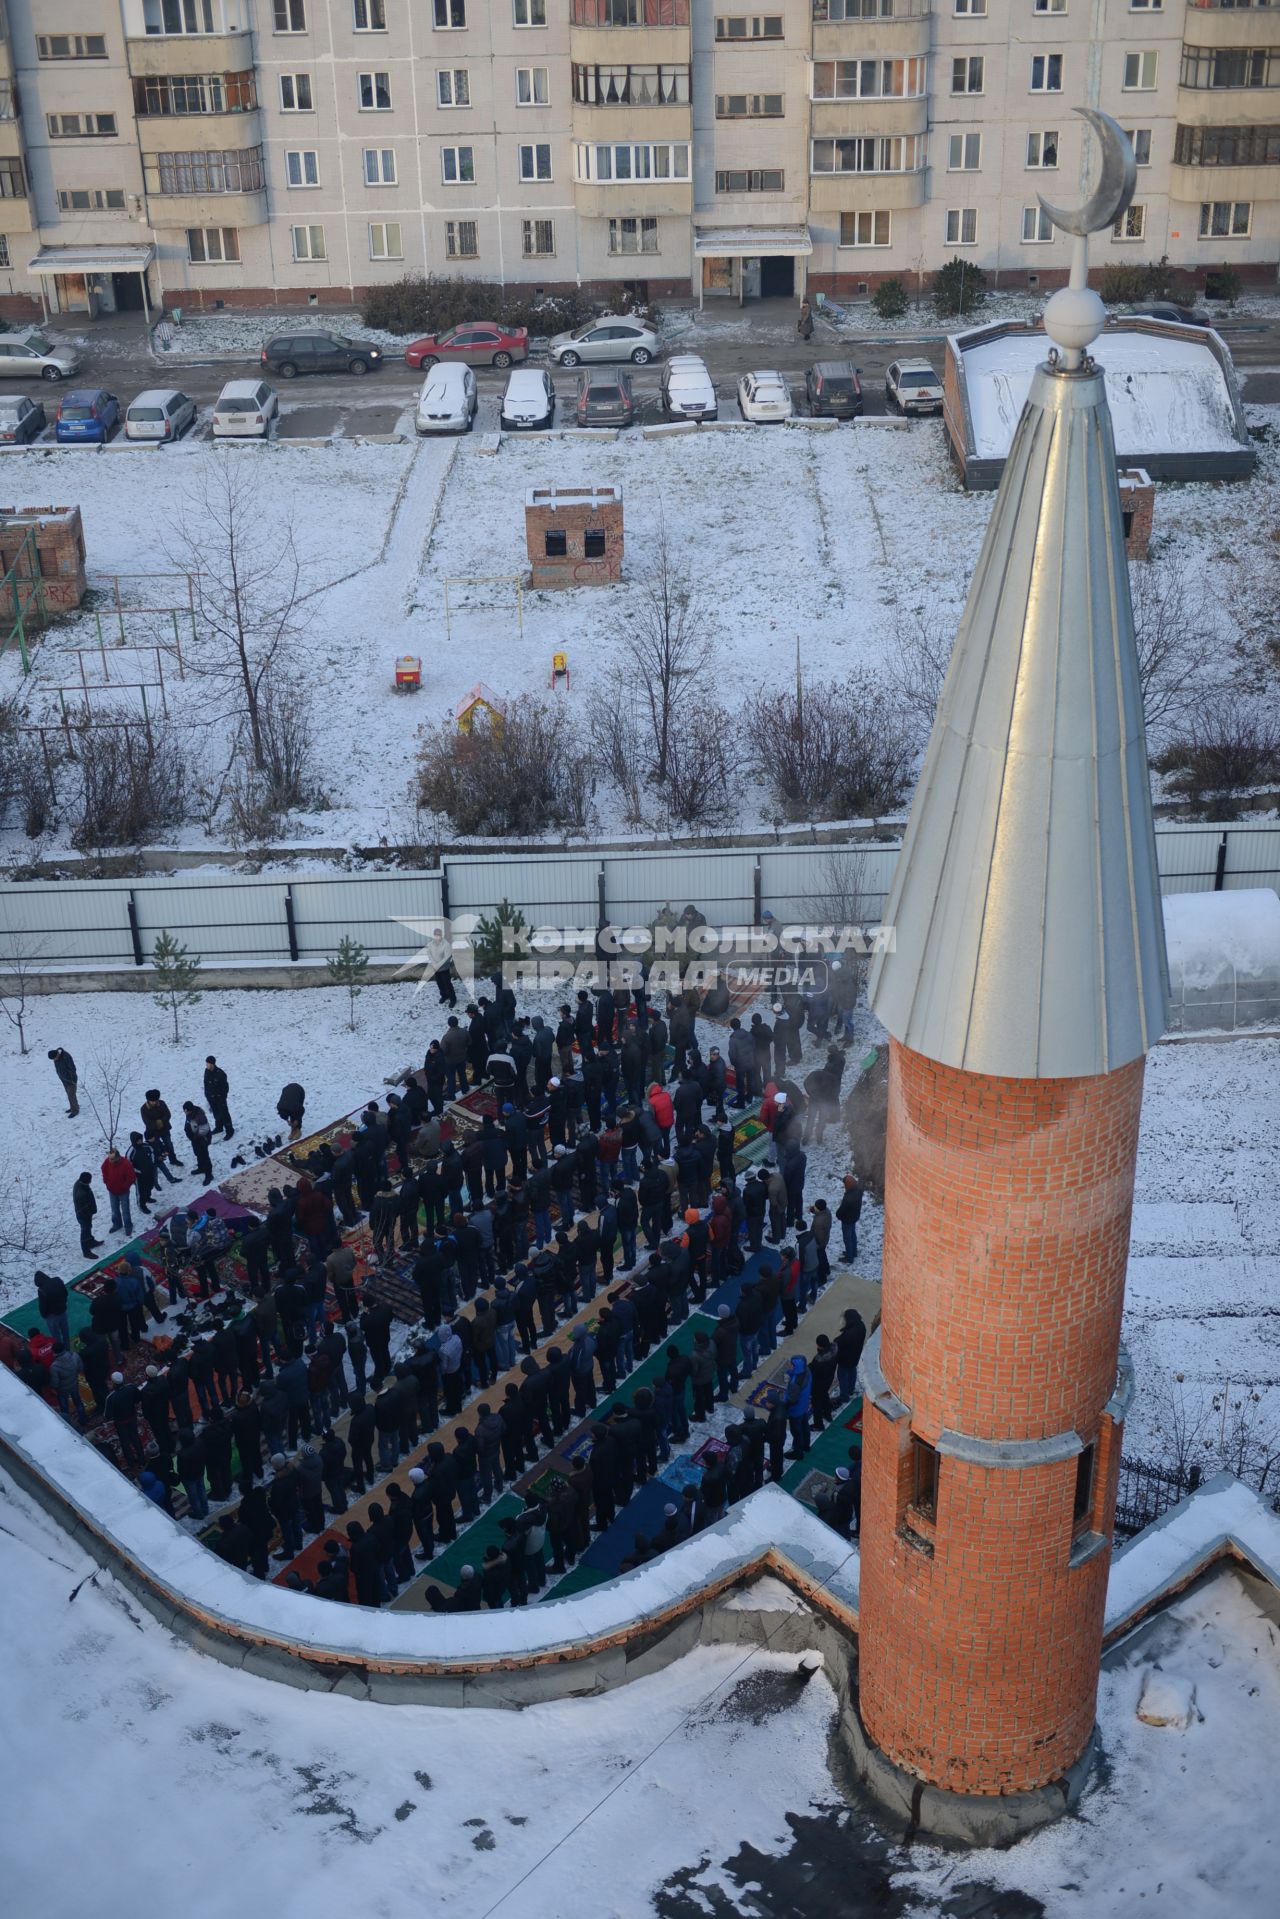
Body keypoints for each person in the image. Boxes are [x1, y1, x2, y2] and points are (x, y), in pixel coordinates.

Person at [100, 1147, 137, 1237]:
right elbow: (103, 1169)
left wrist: (124, 1186)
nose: (110, 1161)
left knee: (125, 1210)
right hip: (112, 1190)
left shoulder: (126, 1164)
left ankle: (128, 1226)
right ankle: (117, 1224)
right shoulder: (108, 1161)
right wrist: (106, 1181)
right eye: (109, 1158)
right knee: (114, 1209)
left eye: (112, 1159)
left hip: (123, 1192)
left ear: (117, 1157)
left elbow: (132, 1178)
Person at [72, 1171, 102, 1259]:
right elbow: (85, 1208)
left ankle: (90, 1241)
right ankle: (86, 1252)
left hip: (84, 1213)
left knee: (88, 1228)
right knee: (85, 1231)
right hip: (84, 1215)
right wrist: (91, 1212)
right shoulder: (81, 1194)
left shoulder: (79, 1183)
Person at [183, 1102, 214, 1184]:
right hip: (195, 1139)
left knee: (205, 1156)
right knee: (198, 1154)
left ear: (190, 1110)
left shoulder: (200, 1116)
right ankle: (201, 1168)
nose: (185, 1113)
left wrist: (194, 1138)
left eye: (186, 1111)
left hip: (202, 1140)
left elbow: (204, 1130)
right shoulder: (190, 1114)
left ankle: (209, 1174)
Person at [203, 1056, 235, 1139]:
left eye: (208, 1063)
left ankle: (230, 1131)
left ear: (212, 1064)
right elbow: (206, 1085)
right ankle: (219, 1127)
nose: (206, 1065)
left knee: (225, 1115)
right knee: (216, 1114)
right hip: (211, 1099)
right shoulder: (206, 1072)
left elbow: (225, 1088)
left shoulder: (220, 1074)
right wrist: (207, 1096)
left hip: (220, 1099)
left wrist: (221, 1097)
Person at [837, 1174, 863, 1265]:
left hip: (847, 1220)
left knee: (847, 1239)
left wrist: (838, 1215)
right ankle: (853, 1252)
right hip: (854, 1217)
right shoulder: (859, 1191)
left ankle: (849, 1257)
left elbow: (841, 1211)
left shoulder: (848, 1198)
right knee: (853, 1235)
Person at [49, 1047, 79, 1117]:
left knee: (71, 1095)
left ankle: (75, 1110)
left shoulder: (66, 1057)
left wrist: (70, 1078)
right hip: (64, 1080)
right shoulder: (56, 1058)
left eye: (54, 1058)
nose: (54, 1060)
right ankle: (73, 1107)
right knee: (69, 1094)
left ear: (57, 1055)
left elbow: (73, 1069)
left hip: (71, 1079)